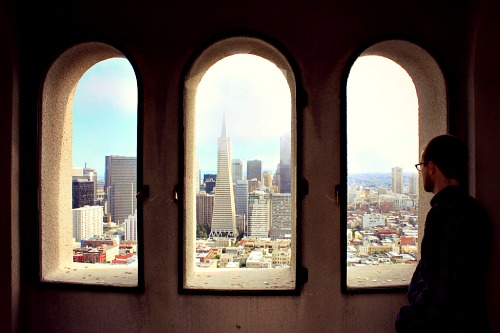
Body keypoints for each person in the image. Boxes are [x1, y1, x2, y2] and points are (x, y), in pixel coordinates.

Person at [395, 134, 492, 333]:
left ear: (432, 167)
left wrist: (405, 319)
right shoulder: (478, 212)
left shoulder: (441, 215)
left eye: (421, 165)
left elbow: (439, 291)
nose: (421, 171)